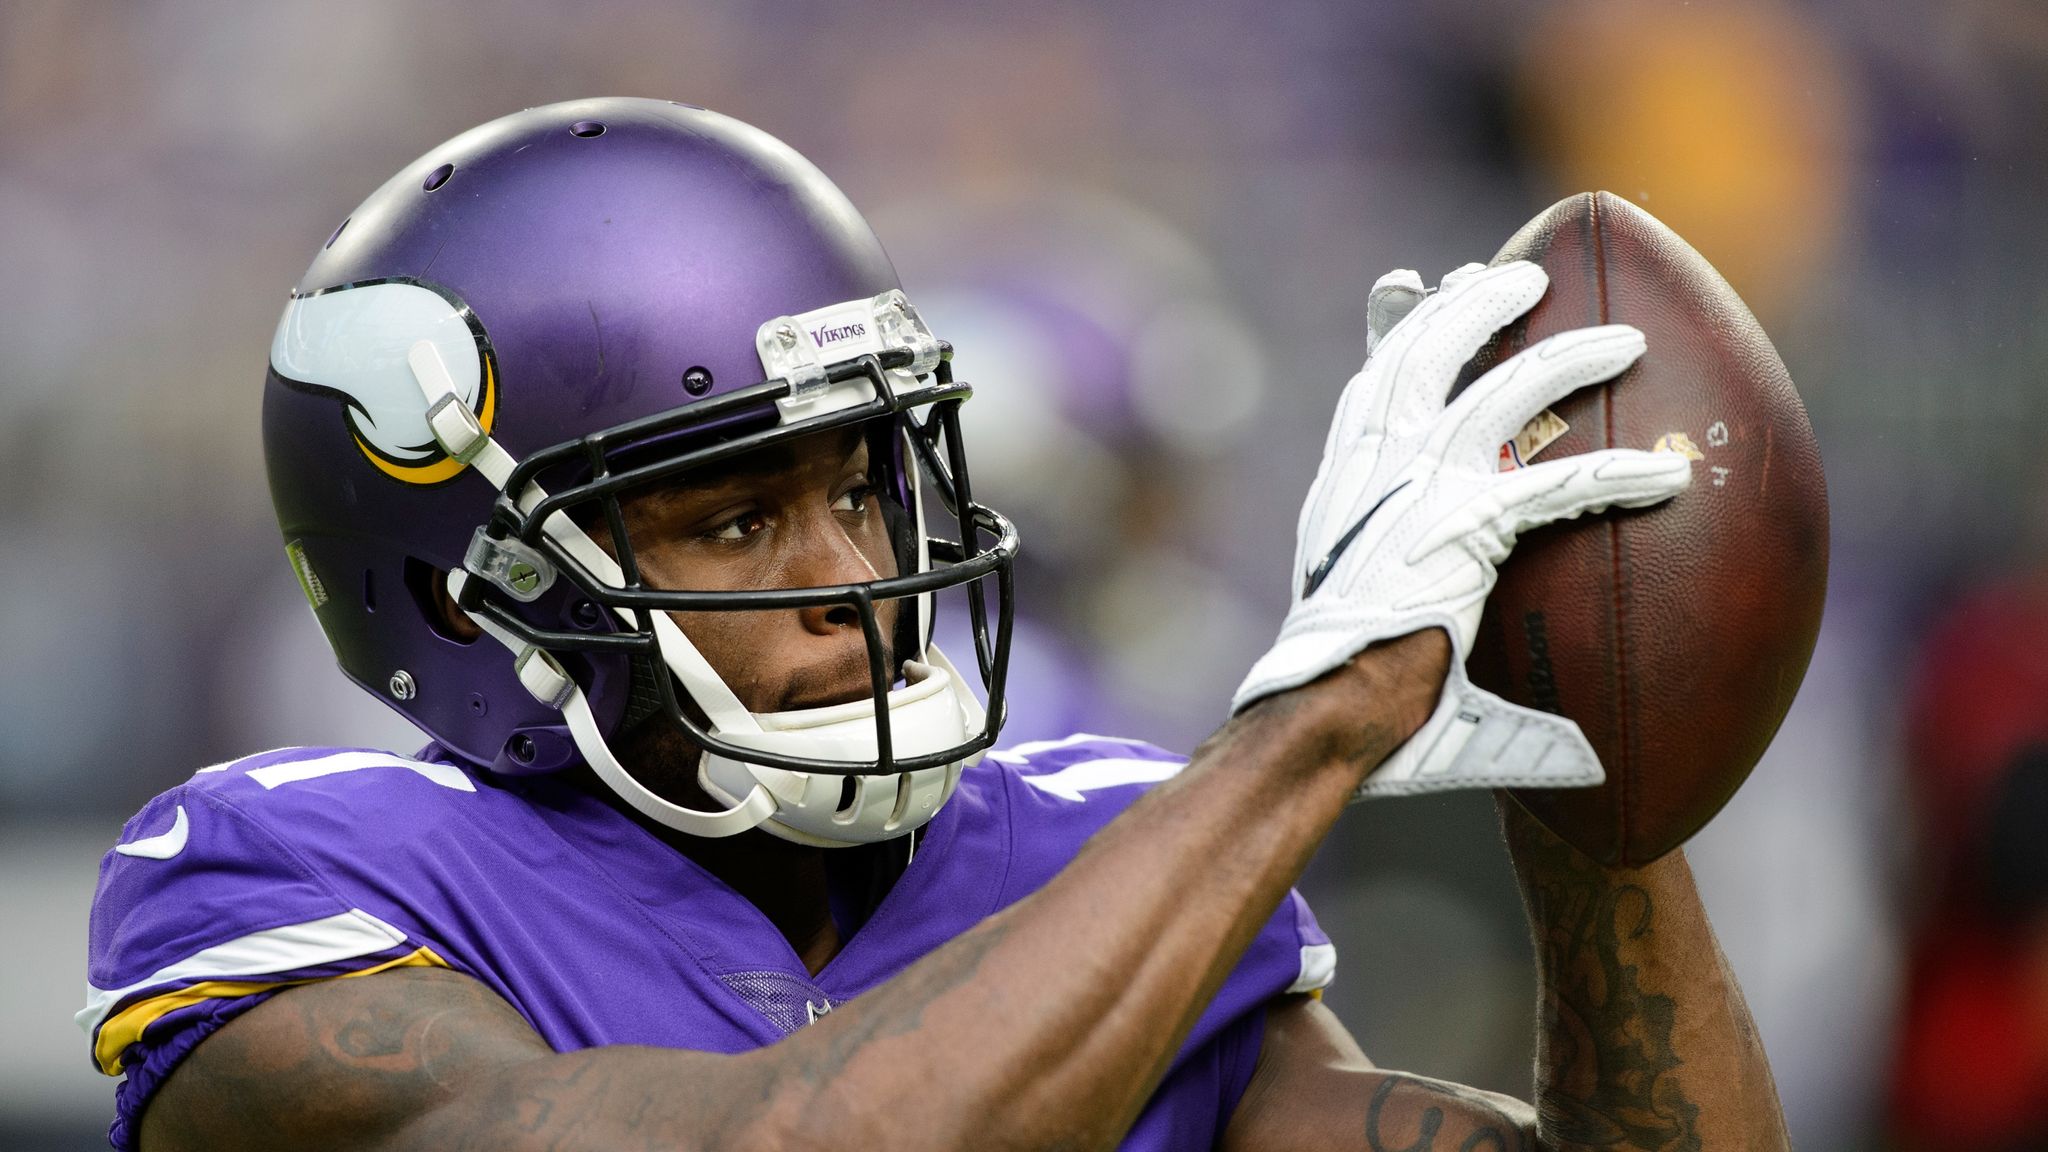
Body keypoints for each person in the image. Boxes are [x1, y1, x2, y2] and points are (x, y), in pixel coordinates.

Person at [80, 98, 1788, 1151]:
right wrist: (1323, 715)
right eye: (739, 518)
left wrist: (1577, 727)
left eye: (868, 483)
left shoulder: (1082, 846)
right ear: (481, 596)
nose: (849, 571)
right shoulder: (298, 878)